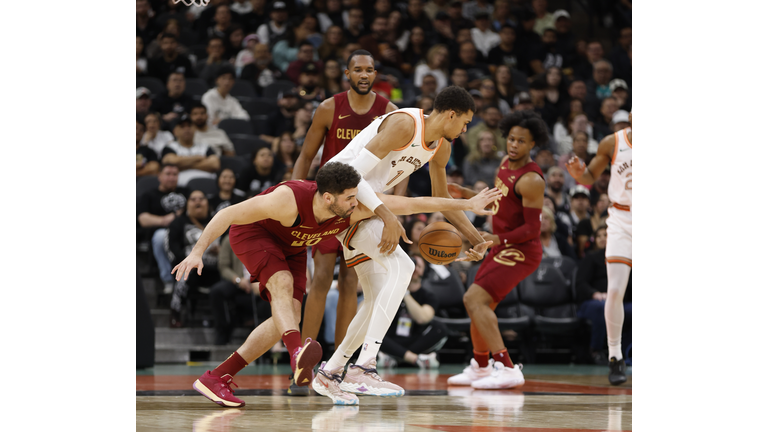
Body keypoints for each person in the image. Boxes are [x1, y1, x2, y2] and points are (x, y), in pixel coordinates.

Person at [171, 161, 502, 407]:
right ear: (327, 198)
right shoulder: (287, 199)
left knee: (284, 318)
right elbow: (227, 213)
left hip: (294, 245)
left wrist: (468, 206)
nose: (357, 204)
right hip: (255, 233)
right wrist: (197, 252)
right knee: (282, 284)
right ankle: (297, 352)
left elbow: (412, 204)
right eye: (349, 198)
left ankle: (216, 377)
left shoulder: (351, 207)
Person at [312, 86, 496, 404]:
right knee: (404, 266)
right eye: (465, 122)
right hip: (338, 196)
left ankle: (332, 371)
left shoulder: (441, 148)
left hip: (365, 208)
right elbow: (352, 175)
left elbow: (443, 200)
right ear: (451, 114)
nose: (465, 129)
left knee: (375, 297)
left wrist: (477, 238)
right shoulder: (405, 124)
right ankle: (365, 366)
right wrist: (386, 215)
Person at [290, 50, 398, 393]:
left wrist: (389, 205)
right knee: (320, 278)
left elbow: (398, 167)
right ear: (347, 74)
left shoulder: (390, 112)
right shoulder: (328, 108)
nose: (363, 74)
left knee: (352, 282)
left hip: (364, 206)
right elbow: (307, 155)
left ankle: (338, 367)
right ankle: (302, 363)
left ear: (375, 74)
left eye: (369, 69)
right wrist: (295, 196)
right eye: (357, 69)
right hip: (329, 204)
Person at [447, 110, 548, 389]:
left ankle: (506, 367)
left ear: (532, 145)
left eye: (521, 141)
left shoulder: (532, 180)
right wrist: (465, 194)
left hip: (522, 251)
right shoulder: (504, 164)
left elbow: (532, 230)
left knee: (474, 300)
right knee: (480, 304)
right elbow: (499, 202)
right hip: (503, 245)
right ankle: (480, 367)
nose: (514, 145)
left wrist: (496, 239)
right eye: (511, 139)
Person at [566, 111, 631, 385]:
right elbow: (591, 176)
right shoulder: (612, 142)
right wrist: (581, 174)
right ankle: (615, 356)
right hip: (621, 219)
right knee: (615, 289)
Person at [378, 254, 449, 369]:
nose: (414, 269)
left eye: (418, 266)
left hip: (415, 340)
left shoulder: (429, 296)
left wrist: (405, 292)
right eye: (411, 265)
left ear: (424, 271)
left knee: (440, 328)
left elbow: (422, 318)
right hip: (391, 338)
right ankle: (415, 359)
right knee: (368, 329)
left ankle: (394, 357)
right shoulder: (389, 291)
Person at [575, 225, 632, 365]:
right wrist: (594, 294)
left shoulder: (624, 259)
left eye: (605, 235)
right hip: (593, 302)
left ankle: (627, 350)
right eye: (599, 236)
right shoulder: (591, 258)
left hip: (619, 301)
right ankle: (596, 350)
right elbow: (580, 283)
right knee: (603, 308)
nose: (602, 239)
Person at [167, 190, 221, 327]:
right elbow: (173, 247)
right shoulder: (179, 223)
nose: (198, 201)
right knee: (184, 274)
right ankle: (176, 311)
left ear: (208, 203)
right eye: (193, 199)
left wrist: (221, 251)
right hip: (191, 268)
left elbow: (229, 244)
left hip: (216, 268)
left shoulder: (218, 221)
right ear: (187, 205)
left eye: (201, 198)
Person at [137, 164, 188, 292]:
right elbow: (143, 220)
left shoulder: (186, 192)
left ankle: (190, 277)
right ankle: (168, 279)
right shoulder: (149, 195)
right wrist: (170, 218)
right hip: (161, 232)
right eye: (168, 174)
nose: (171, 178)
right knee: (161, 237)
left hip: (185, 229)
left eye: (175, 174)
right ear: (159, 176)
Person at [161, 114, 221, 187]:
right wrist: (198, 158)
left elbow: (215, 164)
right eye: (182, 126)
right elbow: (172, 162)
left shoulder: (205, 147)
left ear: (195, 129)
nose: (187, 129)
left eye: (189, 126)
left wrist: (183, 165)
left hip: (207, 186)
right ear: (175, 131)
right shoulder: (170, 147)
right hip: (181, 187)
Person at [574, 192, 609, 258]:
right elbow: (582, 250)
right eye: (601, 201)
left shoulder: (614, 224)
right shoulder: (584, 223)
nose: (605, 203)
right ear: (594, 205)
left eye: (608, 201)